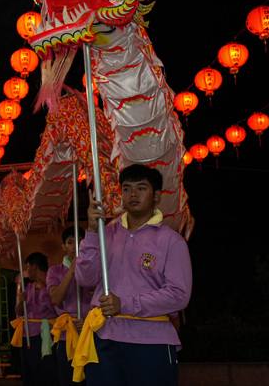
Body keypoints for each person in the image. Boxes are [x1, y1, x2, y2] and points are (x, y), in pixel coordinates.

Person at [73, 164, 192, 385]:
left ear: (156, 196)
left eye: (141, 188)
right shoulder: (104, 233)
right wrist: (90, 230)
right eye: (126, 189)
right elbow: (84, 279)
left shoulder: (171, 241)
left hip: (151, 342)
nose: (133, 194)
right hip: (104, 340)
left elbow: (179, 295)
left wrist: (125, 304)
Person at [47, 227, 93, 386]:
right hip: (67, 336)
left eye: (80, 241)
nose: (75, 246)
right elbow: (55, 299)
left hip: (91, 334)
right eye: (70, 242)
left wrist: (87, 320)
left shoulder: (94, 268)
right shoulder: (54, 271)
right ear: (64, 247)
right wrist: (72, 271)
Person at [11, 252, 57, 386]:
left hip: (46, 335)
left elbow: (57, 309)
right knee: (29, 371)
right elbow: (19, 312)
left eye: (27, 267)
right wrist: (21, 301)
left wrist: (44, 292)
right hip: (27, 336)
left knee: (46, 370)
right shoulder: (28, 288)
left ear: (35, 267)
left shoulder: (51, 284)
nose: (26, 271)